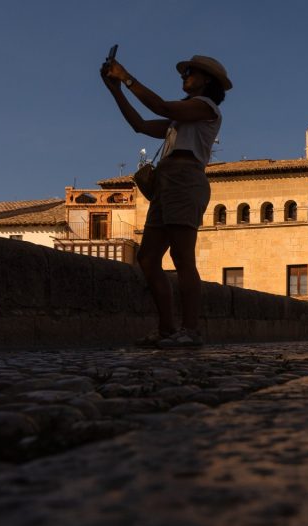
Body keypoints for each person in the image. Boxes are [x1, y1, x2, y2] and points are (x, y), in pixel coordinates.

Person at [100, 54, 232, 348]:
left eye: (189, 72)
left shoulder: (205, 108)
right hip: (167, 183)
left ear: (206, 80)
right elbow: (139, 125)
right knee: (147, 258)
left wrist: (126, 76)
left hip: (185, 180)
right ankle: (167, 329)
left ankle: (191, 329)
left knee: (182, 257)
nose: (183, 75)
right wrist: (116, 91)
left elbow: (159, 105)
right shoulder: (179, 119)